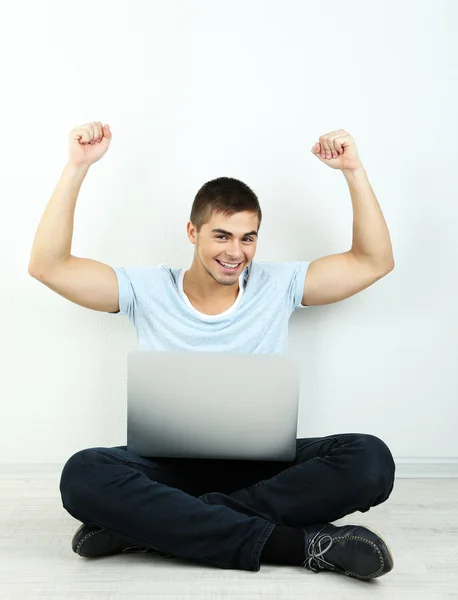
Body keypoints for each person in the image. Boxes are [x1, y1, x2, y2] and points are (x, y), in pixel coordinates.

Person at [28, 121, 396, 579]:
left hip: (264, 470)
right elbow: (47, 266)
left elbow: (374, 261)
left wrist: (354, 171)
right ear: (192, 232)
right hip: (166, 467)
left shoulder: (279, 284)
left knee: (370, 458)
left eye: (248, 237)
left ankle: (153, 527)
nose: (236, 252)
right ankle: (295, 545)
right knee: (83, 473)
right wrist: (76, 167)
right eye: (222, 235)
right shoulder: (146, 289)